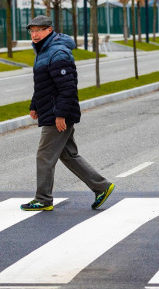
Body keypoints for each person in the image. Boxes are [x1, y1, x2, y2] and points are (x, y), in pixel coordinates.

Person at [20, 15, 115, 212]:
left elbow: (67, 87)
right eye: (32, 31)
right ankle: (102, 187)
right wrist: (35, 104)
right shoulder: (44, 50)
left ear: (49, 30)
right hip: (52, 110)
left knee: (44, 155)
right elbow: (44, 85)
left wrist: (60, 115)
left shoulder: (58, 53)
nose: (35, 34)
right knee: (68, 155)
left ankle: (43, 199)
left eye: (39, 30)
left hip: (58, 113)